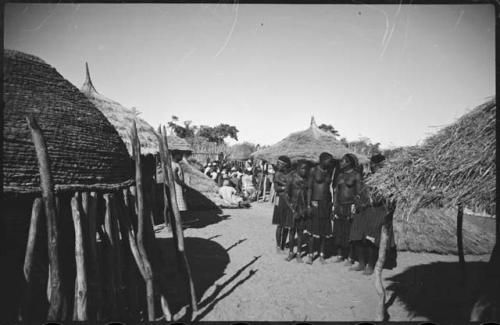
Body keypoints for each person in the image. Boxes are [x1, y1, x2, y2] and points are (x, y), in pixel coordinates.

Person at [348, 153, 396, 275]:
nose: (373, 167)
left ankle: (370, 264)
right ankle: (361, 263)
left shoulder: (388, 180)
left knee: (372, 240)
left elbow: (384, 198)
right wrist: (357, 201)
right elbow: (362, 191)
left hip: (377, 212)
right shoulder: (368, 177)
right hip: (363, 211)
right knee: (358, 236)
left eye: (375, 165)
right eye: (372, 165)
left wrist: (366, 204)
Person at [332, 153, 362, 266]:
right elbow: (336, 192)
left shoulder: (356, 175)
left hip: (350, 206)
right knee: (339, 231)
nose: (340, 163)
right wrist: (334, 205)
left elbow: (359, 193)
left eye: (342, 161)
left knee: (350, 232)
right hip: (339, 206)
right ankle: (340, 255)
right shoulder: (339, 176)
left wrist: (355, 205)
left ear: (348, 163)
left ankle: (351, 256)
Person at [305, 152, 334, 265]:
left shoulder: (329, 171)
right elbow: (310, 189)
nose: (330, 162)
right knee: (312, 231)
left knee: (324, 232)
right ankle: (310, 255)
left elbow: (329, 189)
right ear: (322, 160)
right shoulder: (313, 170)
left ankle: (322, 254)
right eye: (328, 160)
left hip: (326, 204)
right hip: (315, 203)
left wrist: (331, 204)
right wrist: (309, 204)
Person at [283, 160, 310, 263]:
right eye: (302, 168)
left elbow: (308, 194)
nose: (304, 170)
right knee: (292, 231)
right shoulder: (291, 178)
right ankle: (291, 252)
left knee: (300, 232)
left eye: (306, 169)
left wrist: (307, 207)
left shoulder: (307, 180)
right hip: (293, 208)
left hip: (302, 208)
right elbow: (286, 195)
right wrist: (292, 209)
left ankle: (299, 252)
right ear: (298, 169)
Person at [271, 155, 292, 254]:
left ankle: (283, 244)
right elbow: (276, 189)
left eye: (280, 164)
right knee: (280, 224)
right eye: (278, 163)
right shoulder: (277, 174)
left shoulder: (291, 175)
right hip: (280, 200)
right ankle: (278, 246)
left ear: (285, 166)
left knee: (287, 225)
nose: (277, 165)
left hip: (288, 201)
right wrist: (285, 187)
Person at [171, 150, 188, 216]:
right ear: (176, 155)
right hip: (177, 187)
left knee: (181, 204)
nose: (181, 156)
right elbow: (176, 178)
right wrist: (184, 185)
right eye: (180, 155)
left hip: (179, 186)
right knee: (178, 205)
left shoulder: (177, 164)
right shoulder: (173, 165)